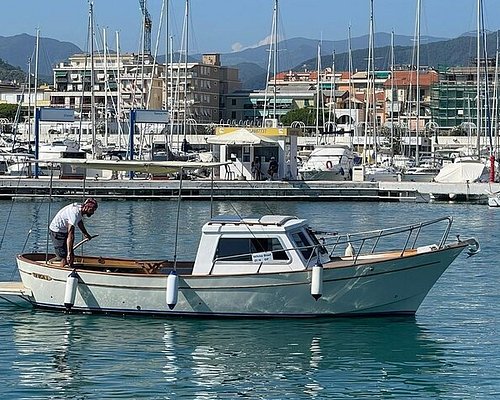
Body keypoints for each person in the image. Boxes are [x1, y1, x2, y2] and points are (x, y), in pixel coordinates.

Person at [49, 198, 98, 267]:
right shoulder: (74, 213)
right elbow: (70, 234)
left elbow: (79, 221)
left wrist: (85, 233)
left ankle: (71, 267)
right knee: (64, 256)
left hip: (64, 230)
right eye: (92, 210)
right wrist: (69, 253)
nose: (92, 212)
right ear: (87, 207)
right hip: (57, 231)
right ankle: (61, 270)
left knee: (71, 255)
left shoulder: (80, 210)